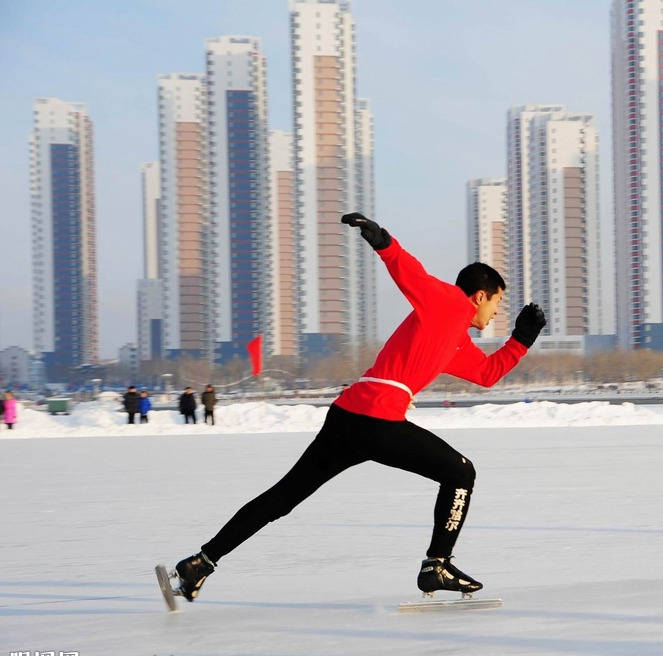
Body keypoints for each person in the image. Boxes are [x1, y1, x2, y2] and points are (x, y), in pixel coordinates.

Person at [169, 212, 545, 604]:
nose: (497, 312)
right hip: (378, 419)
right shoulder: (449, 302)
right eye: (498, 302)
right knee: (461, 472)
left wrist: (521, 339)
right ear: (480, 295)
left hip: (347, 417)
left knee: (283, 497)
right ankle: (437, 564)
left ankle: (200, 563)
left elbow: (486, 374)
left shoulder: (456, 340)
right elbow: (412, 275)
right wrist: (383, 241)